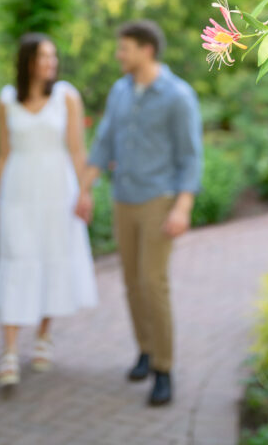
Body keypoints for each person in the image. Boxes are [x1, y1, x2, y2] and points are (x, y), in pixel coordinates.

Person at [76, 20, 203, 407]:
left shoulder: (177, 96)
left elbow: (191, 156)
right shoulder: (120, 90)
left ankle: (164, 368)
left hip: (158, 201)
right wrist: (85, 188)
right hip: (123, 199)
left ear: (147, 50)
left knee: (153, 282)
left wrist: (183, 207)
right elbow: (103, 142)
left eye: (124, 48)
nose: (119, 55)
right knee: (132, 281)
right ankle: (145, 350)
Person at [0, 33, 97, 387]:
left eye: (53, 56)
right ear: (27, 61)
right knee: (16, 260)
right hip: (18, 192)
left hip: (57, 191)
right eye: (43, 56)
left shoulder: (66, 96)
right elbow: (2, 155)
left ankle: (44, 335)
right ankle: (8, 352)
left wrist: (84, 192)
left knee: (53, 257)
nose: (51, 62)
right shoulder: (7, 100)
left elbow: (78, 151)